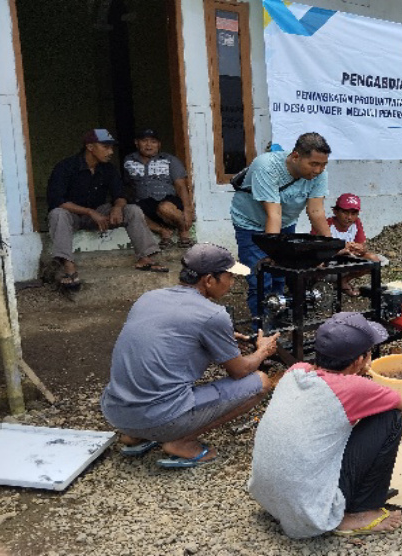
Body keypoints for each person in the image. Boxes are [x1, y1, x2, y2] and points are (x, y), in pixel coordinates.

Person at [249, 312, 402, 538]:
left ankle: (312, 502)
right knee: (389, 418)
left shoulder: (296, 371)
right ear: (358, 361)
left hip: (268, 495)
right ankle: (357, 514)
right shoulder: (352, 387)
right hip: (309, 509)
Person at [100, 243, 280, 468]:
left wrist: (221, 339)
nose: (233, 283)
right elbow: (240, 370)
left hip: (116, 412)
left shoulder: (148, 297)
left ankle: (136, 436)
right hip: (160, 417)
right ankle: (181, 441)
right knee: (261, 382)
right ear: (209, 280)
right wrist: (262, 350)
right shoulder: (213, 314)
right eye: (229, 277)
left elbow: (170, 335)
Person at [47, 128, 167, 288]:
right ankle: (68, 266)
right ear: (90, 147)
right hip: (72, 215)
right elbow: (57, 200)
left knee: (131, 209)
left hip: (100, 215)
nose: (110, 152)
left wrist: (117, 207)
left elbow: (121, 194)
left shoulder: (108, 168)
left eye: (111, 147)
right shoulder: (66, 167)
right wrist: (90, 212)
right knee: (57, 213)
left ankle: (145, 258)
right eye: (105, 147)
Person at [230, 133, 333, 319]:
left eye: (323, 165)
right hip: (250, 224)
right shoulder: (266, 167)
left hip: (285, 223)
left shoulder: (320, 174)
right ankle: (261, 330)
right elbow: (273, 213)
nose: (318, 170)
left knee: (281, 274)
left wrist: (331, 247)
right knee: (261, 277)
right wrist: (273, 253)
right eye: (314, 164)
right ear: (295, 157)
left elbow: (316, 211)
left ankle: (277, 320)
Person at [123, 128, 194, 249]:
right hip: (143, 201)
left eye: (153, 141)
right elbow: (127, 185)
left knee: (165, 207)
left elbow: (181, 186)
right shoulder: (129, 161)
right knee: (130, 211)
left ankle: (183, 231)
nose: (149, 145)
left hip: (167, 199)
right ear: (136, 143)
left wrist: (187, 209)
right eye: (144, 141)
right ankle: (163, 232)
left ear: (159, 144)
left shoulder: (169, 160)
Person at [316, 193, 387, 296]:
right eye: (345, 212)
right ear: (335, 211)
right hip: (328, 266)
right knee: (314, 263)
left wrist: (360, 249)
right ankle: (317, 288)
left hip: (346, 264)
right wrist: (339, 250)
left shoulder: (356, 223)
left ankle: (343, 281)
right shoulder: (326, 225)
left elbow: (363, 246)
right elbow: (315, 250)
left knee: (374, 260)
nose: (349, 217)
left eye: (353, 214)